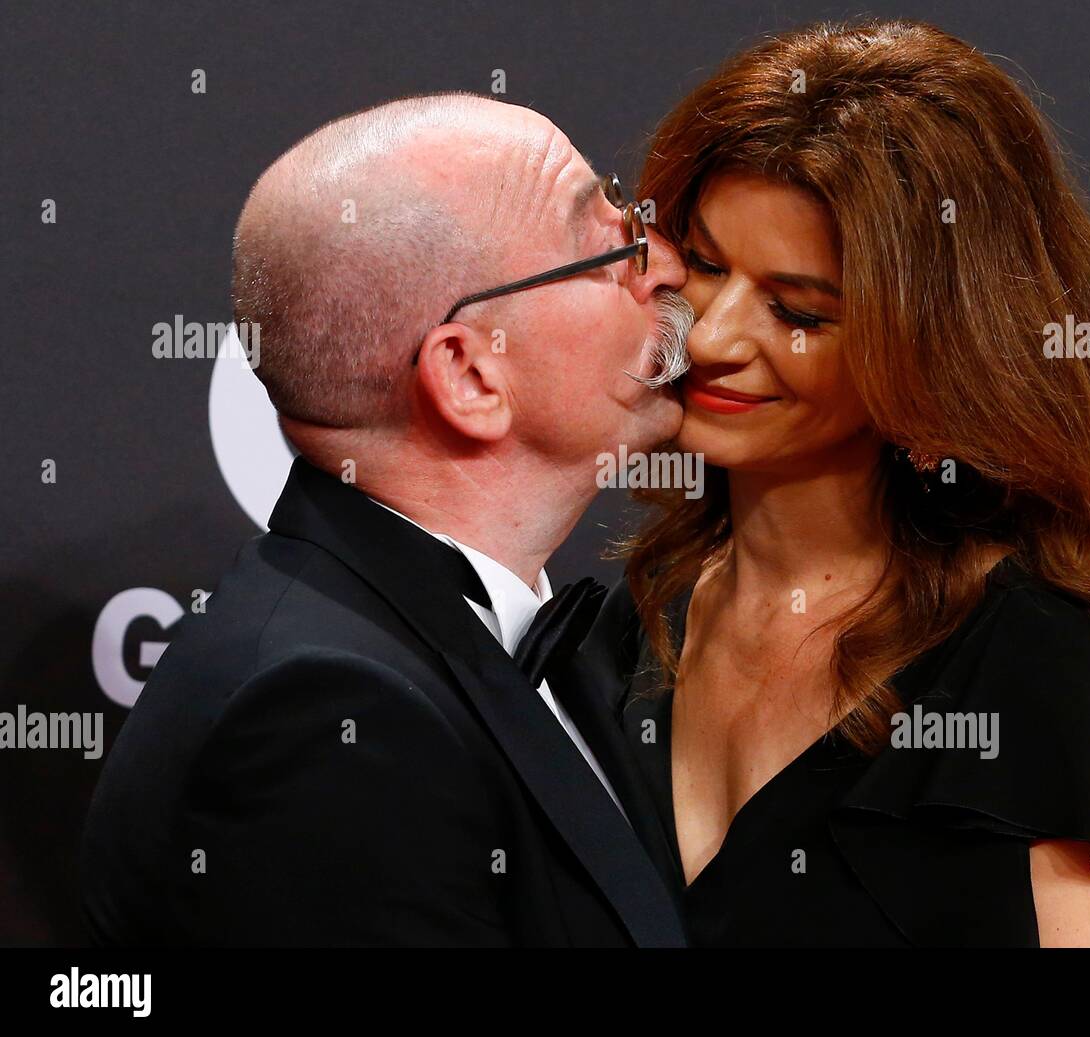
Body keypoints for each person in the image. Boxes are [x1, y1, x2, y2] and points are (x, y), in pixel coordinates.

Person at [599, 20, 1090, 947]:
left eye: (798, 310)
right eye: (707, 266)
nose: (716, 338)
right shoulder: (616, 634)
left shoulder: (1023, 674)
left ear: (936, 351)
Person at [80, 92, 694, 946]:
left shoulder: (482, 640)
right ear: (473, 378)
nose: (662, 261)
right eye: (607, 248)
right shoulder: (333, 723)